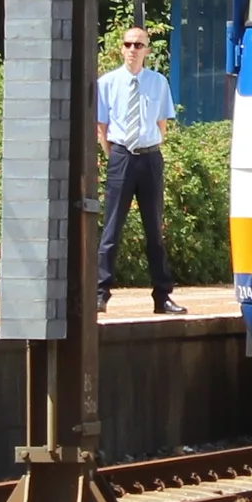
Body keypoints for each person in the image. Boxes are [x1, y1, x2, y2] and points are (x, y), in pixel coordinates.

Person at [95, 23, 183, 316]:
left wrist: (146, 149)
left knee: (154, 230)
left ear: (147, 50)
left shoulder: (158, 82)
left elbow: (162, 125)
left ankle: (162, 296)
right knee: (111, 228)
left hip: (149, 158)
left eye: (139, 45)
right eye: (128, 44)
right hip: (121, 156)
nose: (133, 49)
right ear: (121, 48)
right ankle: (100, 292)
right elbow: (102, 128)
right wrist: (117, 155)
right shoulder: (106, 83)